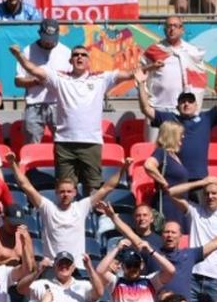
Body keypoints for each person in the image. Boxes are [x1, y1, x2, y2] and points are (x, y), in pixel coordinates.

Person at [9, 43, 135, 195]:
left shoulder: (102, 78)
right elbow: (33, 70)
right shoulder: (60, 78)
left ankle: (94, 217)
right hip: (65, 143)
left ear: (89, 61)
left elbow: (129, 75)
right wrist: (18, 56)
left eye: (83, 55)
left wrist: (151, 68)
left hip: (91, 143)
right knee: (65, 190)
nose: (79, 57)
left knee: (93, 189)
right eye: (76, 55)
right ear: (70, 61)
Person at [16, 19, 72, 145]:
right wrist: (35, 81)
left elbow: (72, 80)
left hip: (59, 103)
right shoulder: (27, 51)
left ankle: (62, 165)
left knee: (64, 143)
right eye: (46, 38)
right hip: (34, 104)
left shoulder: (66, 52)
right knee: (32, 144)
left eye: (52, 38)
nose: (49, 42)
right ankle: (32, 165)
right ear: (39, 34)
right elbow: (18, 81)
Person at [145, 15, 206, 113]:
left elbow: (201, 78)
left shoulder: (192, 52)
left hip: (183, 109)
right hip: (157, 107)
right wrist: (151, 67)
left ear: (182, 30)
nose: (172, 29)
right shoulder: (154, 50)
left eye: (175, 26)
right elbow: (140, 72)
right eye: (169, 26)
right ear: (165, 30)